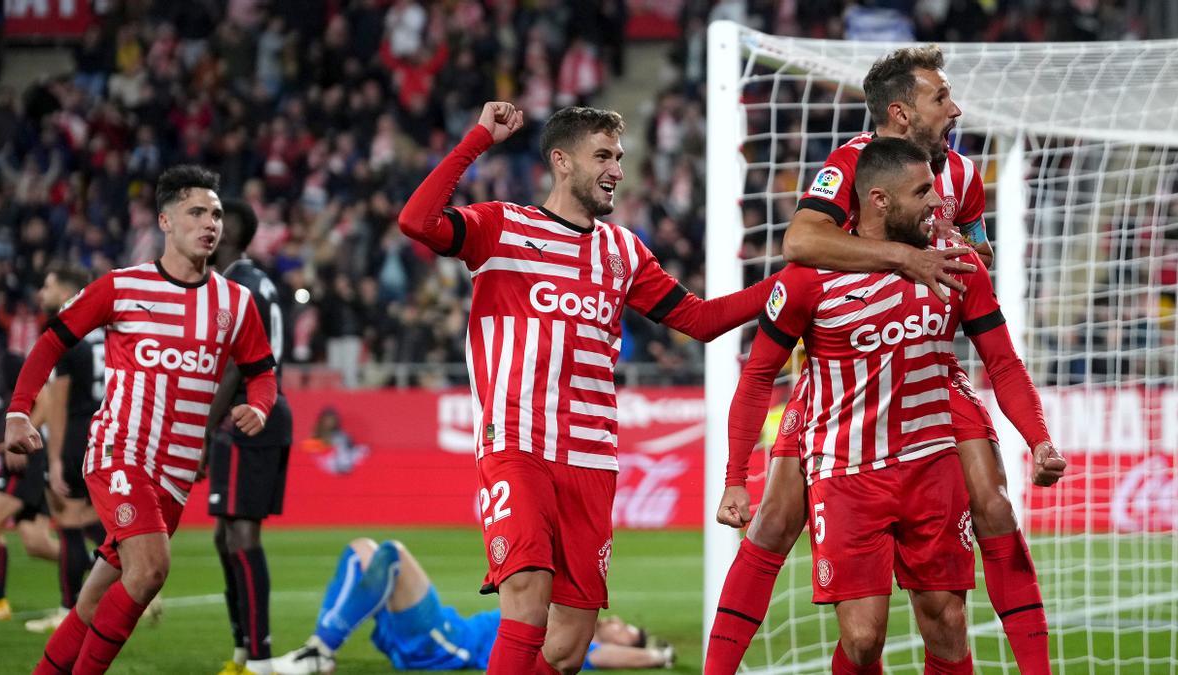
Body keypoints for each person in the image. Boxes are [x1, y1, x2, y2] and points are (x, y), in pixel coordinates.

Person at [705, 46, 1066, 674]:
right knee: (775, 524)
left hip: (928, 363)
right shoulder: (848, 164)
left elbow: (976, 255)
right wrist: (908, 261)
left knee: (995, 508)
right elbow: (802, 240)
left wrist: (961, 269)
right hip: (841, 371)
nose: (955, 108)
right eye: (940, 98)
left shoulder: (963, 173)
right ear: (900, 113)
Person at [398, 102, 783, 674]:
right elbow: (417, 221)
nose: (617, 169)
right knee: (526, 600)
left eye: (620, 157)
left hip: (591, 460)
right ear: (561, 161)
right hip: (517, 447)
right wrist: (479, 138)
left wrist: (797, 279)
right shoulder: (502, 227)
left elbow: (701, 321)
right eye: (602, 155)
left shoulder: (623, 251)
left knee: (567, 648)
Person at [3, 165, 279, 675]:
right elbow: (51, 342)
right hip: (120, 453)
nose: (210, 223)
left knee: (93, 601)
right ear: (165, 221)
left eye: (216, 214)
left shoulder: (235, 303)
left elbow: (263, 373)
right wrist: (18, 411)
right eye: (196, 212)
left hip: (174, 478)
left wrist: (259, 407)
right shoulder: (120, 287)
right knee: (150, 569)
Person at [272, 538, 676, 673]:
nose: (620, 622)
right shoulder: (563, 628)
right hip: (438, 630)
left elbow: (609, 657)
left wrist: (657, 656)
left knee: (392, 553)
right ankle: (320, 647)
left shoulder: (572, 643)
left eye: (630, 631)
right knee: (362, 549)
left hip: (443, 642)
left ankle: (320, 650)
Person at [205, 199, 294, 675]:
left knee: (240, 535)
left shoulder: (238, 284)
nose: (207, 229)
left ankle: (258, 655)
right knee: (225, 536)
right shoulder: (254, 280)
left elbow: (241, 364)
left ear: (230, 234)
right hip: (253, 412)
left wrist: (203, 428)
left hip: (249, 413)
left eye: (215, 222)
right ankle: (243, 648)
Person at [24, 265, 110, 633]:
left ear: (67, 291)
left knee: (70, 525)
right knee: (95, 520)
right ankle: (132, 585)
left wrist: (55, 458)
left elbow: (57, 404)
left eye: (48, 285)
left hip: (76, 435)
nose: (42, 294)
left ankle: (68, 610)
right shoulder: (104, 330)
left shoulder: (68, 330)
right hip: (107, 433)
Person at [0, 325, 58, 620]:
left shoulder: (8, 361)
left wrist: (19, 440)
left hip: (26, 458)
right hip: (10, 459)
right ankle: (99, 569)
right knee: (36, 542)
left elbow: (46, 401)